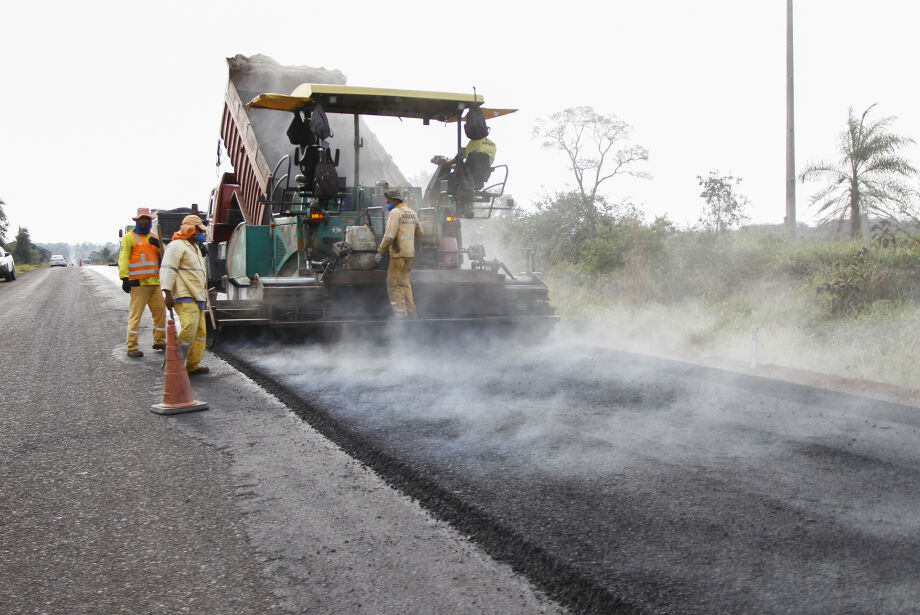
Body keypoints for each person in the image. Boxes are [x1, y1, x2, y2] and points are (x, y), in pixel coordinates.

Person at [159, 215, 210, 376]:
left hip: (197, 295)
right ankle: (173, 363)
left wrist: (204, 296)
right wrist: (167, 293)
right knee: (189, 328)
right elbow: (168, 269)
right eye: (198, 231)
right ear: (190, 230)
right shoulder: (176, 246)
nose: (201, 234)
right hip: (184, 294)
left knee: (200, 333)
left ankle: (192, 365)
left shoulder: (195, 248)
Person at [118, 207, 166, 358]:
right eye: (142, 219)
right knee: (135, 315)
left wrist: (159, 245)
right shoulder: (129, 237)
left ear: (150, 221)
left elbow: (165, 256)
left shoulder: (154, 237)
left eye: (147, 219)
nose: (144, 221)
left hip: (155, 283)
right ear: (137, 221)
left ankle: (160, 341)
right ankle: (132, 346)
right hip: (138, 284)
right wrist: (124, 278)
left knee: (160, 313)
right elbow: (123, 258)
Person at [375, 189, 422, 318]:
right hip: (409, 254)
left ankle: (401, 314)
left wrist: (380, 252)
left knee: (394, 285)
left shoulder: (395, 213)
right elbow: (419, 232)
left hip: (398, 254)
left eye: (388, 202)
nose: (387, 204)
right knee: (405, 284)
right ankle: (412, 313)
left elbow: (389, 236)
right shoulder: (411, 212)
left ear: (395, 200)